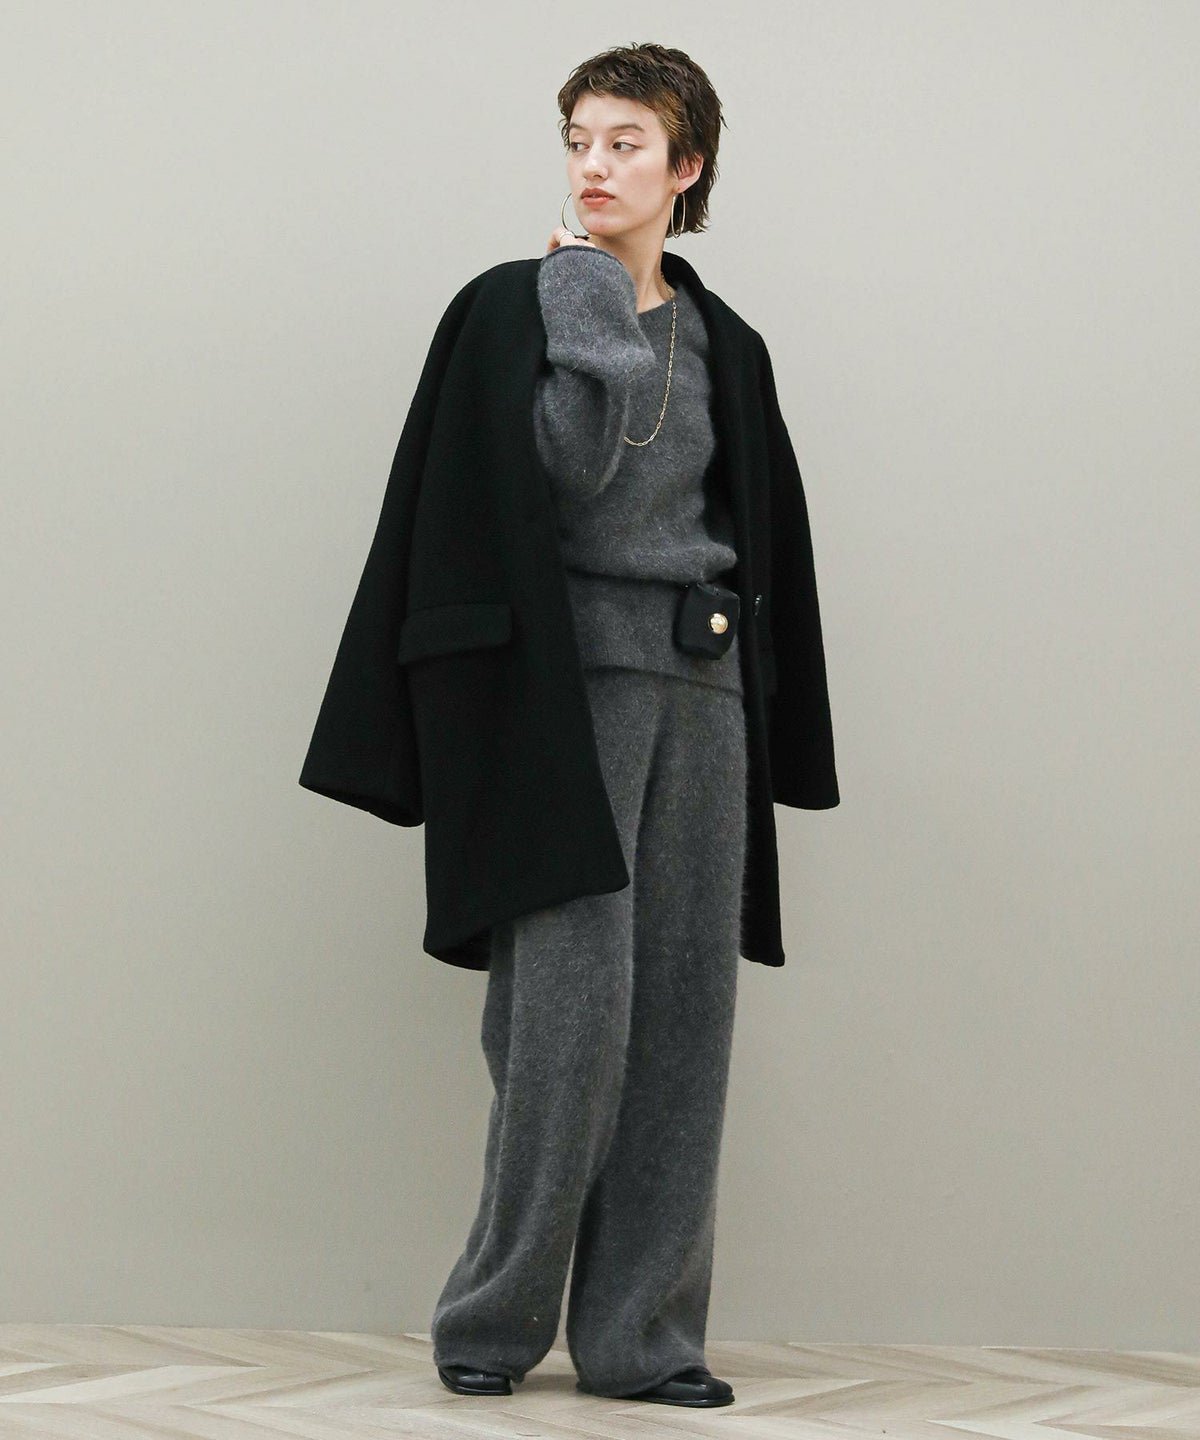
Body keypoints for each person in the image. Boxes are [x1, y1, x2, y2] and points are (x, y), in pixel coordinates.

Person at [429, 43, 778, 1410]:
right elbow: (570, 468)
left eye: (626, 142)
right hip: (561, 697)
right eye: (579, 138)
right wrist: (583, 294)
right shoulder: (515, 310)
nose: (593, 164)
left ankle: (643, 1339)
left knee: (684, 1020)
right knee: (563, 1020)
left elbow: (750, 534)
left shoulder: (729, 343)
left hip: (701, 691)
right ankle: (493, 1318)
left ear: (685, 166)